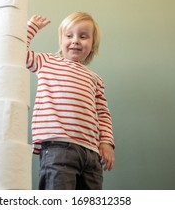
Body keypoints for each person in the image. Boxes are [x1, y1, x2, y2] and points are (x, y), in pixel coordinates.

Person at [26, 12, 115, 190]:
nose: (75, 40)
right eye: (69, 35)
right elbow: (14, 52)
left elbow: (103, 113)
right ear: (61, 41)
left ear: (92, 45)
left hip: (91, 153)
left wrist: (106, 142)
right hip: (58, 146)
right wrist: (31, 28)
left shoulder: (95, 79)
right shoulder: (47, 62)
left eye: (83, 36)